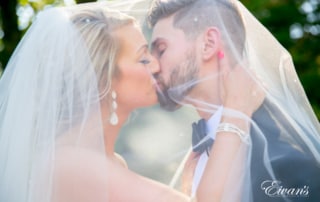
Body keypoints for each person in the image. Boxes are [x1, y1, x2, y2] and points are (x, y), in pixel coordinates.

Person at [0, 2, 195, 202]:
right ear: (103, 80)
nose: (156, 65)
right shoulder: (73, 164)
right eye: (143, 59)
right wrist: (229, 117)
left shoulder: (107, 162)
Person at [147, 0, 320, 201]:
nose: (152, 66)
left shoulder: (287, 162)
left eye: (161, 49)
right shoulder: (195, 157)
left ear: (209, 44)